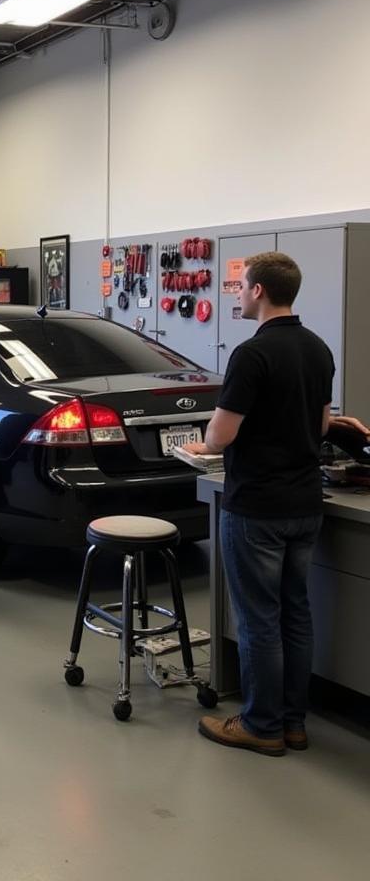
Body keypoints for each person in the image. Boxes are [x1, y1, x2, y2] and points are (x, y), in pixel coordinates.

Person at [182, 252, 333, 756]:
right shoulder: (318, 349)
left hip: (258, 507)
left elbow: (221, 436)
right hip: (305, 502)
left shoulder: (251, 355)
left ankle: (260, 725)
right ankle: (293, 723)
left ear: (259, 291)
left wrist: (200, 443)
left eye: (241, 286)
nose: (238, 294)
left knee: (258, 620)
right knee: (296, 612)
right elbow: (322, 426)